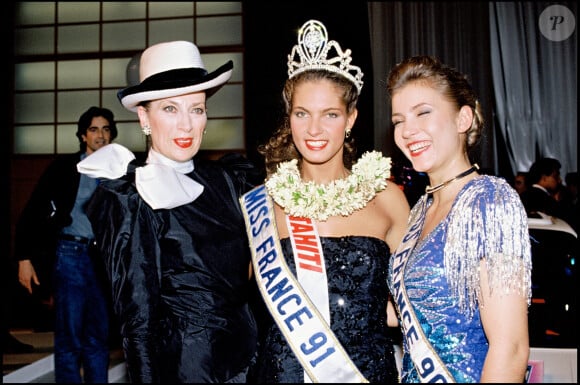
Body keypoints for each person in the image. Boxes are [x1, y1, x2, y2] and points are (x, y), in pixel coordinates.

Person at [76, 40, 260, 383]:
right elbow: (139, 324)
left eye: (197, 109)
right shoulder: (130, 198)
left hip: (250, 363)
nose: (187, 126)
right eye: (170, 109)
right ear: (144, 116)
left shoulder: (230, 180)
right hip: (186, 372)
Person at [241, 19, 410, 383]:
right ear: (290, 118)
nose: (314, 129)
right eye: (302, 113)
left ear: (351, 118)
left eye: (330, 114)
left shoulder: (388, 200)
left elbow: (411, 307)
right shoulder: (264, 204)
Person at [385, 55, 532, 383]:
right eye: (398, 120)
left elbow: (510, 347)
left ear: (463, 118)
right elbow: (415, 311)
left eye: (423, 112)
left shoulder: (490, 201)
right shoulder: (421, 209)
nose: (408, 130)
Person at [15, 106, 117, 383]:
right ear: (83, 135)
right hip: (70, 254)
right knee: (69, 336)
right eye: (94, 129)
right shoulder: (65, 167)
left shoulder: (120, 171)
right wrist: (24, 257)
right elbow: (33, 209)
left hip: (104, 260)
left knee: (98, 336)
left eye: (106, 129)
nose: (101, 135)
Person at [520, 157, 573, 226]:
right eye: (556, 176)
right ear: (544, 178)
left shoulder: (521, 196)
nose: (560, 180)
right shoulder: (547, 201)